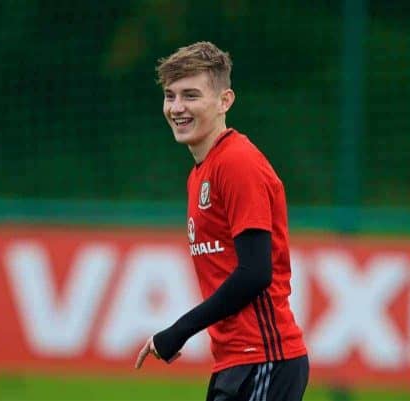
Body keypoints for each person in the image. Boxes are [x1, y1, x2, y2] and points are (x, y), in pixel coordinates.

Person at [134, 41, 309, 401]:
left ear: (224, 101)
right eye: (170, 96)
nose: (177, 108)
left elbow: (255, 273)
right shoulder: (201, 172)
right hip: (237, 361)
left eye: (191, 96)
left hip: (265, 358)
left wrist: (178, 331)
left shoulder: (237, 163)